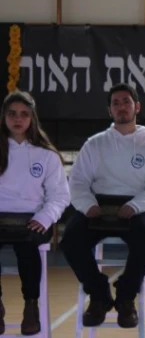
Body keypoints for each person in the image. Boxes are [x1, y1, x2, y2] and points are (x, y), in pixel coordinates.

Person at [60, 83, 145, 327]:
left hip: (138, 207)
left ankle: (126, 298)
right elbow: (77, 182)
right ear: (109, 111)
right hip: (98, 205)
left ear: (137, 106)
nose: (121, 107)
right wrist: (88, 206)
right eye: (115, 103)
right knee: (71, 240)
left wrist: (136, 205)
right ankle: (99, 295)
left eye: (126, 101)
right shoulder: (95, 144)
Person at [0, 91, 70, 335]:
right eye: (12, 114)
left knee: (28, 245)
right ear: (4, 117)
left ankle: (31, 305)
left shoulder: (47, 155)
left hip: (33, 218)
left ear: (32, 119)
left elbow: (60, 195)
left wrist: (45, 217)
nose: (17, 119)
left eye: (24, 115)